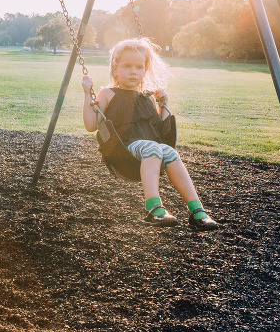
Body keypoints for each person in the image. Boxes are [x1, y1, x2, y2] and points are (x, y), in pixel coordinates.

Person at [81, 38, 218, 231]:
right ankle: (153, 208)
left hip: (148, 150)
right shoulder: (107, 93)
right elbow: (90, 125)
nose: (133, 71)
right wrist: (88, 93)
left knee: (170, 152)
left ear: (145, 69)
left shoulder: (147, 97)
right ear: (115, 68)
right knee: (153, 148)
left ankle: (196, 211)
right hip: (123, 149)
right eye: (127, 66)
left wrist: (164, 104)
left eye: (139, 67)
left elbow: (160, 130)